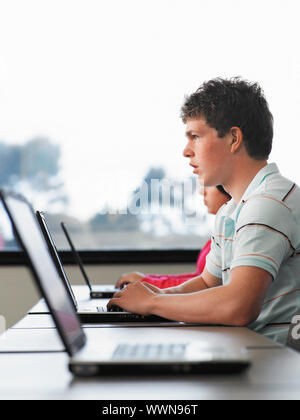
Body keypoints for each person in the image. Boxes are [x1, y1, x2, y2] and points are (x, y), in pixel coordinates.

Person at [108, 77, 300, 345]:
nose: (186, 151)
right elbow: (209, 283)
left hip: (281, 363)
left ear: (234, 138)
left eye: (195, 137)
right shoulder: (232, 209)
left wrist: (153, 302)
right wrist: (158, 296)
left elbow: (238, 306)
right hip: (254, 348)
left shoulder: (268, 204)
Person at [115, 185, 231, 290]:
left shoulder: (231, 233)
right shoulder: (220, 232)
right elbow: (199, 278)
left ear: (227, 189)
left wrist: (147, 282)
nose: (202, 191)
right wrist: (146, 279)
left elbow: (203, 284)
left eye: (209, 185)